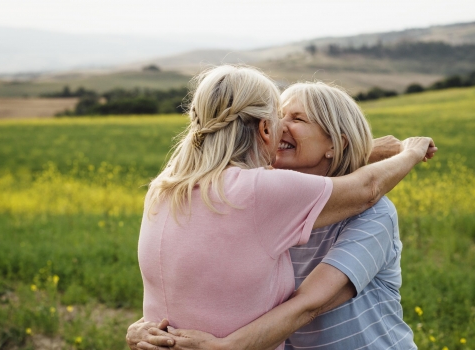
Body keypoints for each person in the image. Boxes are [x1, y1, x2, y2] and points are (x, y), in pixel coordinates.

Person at [131, 66, 435, 350]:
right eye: (279, 116)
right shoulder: (258, 197)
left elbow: (309, 304)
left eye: (298, 119)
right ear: (265, 129)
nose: (282, 127)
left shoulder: (373, 213)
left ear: (335, 143)